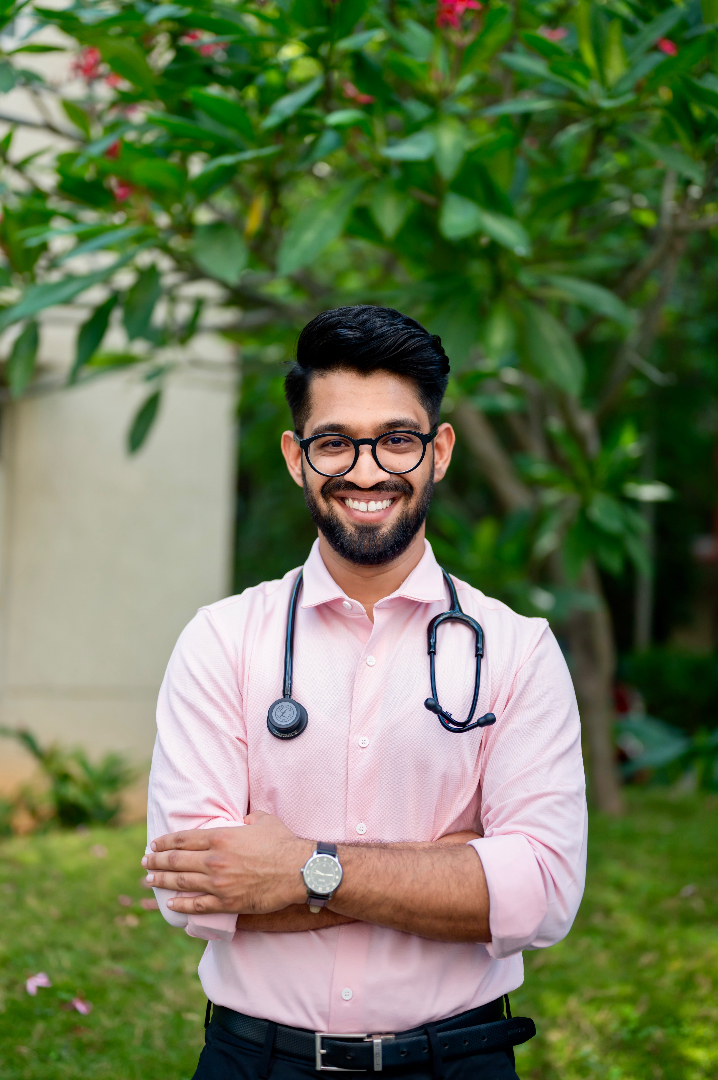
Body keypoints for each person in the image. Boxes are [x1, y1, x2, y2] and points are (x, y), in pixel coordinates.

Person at [142, 305, 587, 1080]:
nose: (368, 470)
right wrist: (452, 871)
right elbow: (196, 889)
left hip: (457, 1061)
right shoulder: (221, 641)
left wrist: (301, 868)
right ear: (296, 457)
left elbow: (543, 893)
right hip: (257, 1062)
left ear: (438, 450)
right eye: (335, 442)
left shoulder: (519, 651)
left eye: (398, 439)